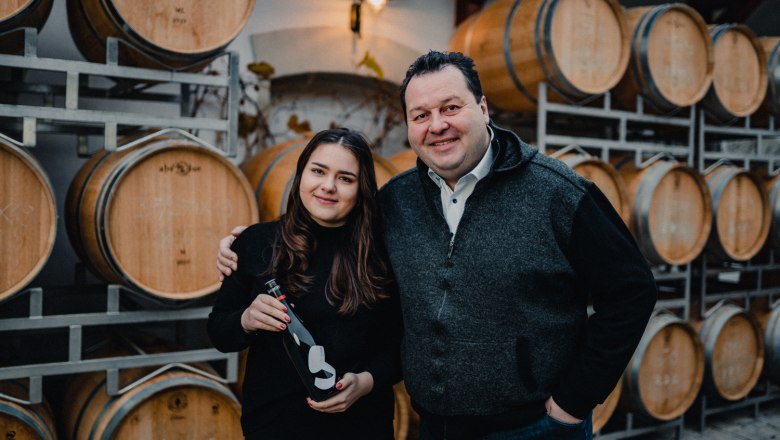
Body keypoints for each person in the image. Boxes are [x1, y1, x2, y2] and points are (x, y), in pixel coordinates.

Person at [218, 51, 657, 440]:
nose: (437, 126)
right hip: (437, 425)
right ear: (410, 125)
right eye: (421, 114)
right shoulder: (397, 200)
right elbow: (328, 238)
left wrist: (574, 402)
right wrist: (244, 249)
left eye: (451, 107)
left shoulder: (557, 193)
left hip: (532, 427)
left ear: (483, 108)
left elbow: (631, 292)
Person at [207, 127, 400, 440]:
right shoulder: (256, 243)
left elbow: (403, 345)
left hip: (362, 426)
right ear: (301, 175)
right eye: (318, 171)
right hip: (275, 425)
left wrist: (366, 381)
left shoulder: (382, 254)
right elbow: (220, 334)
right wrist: (246, 319)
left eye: (345, 178)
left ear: (361, 189)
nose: (328, 186)